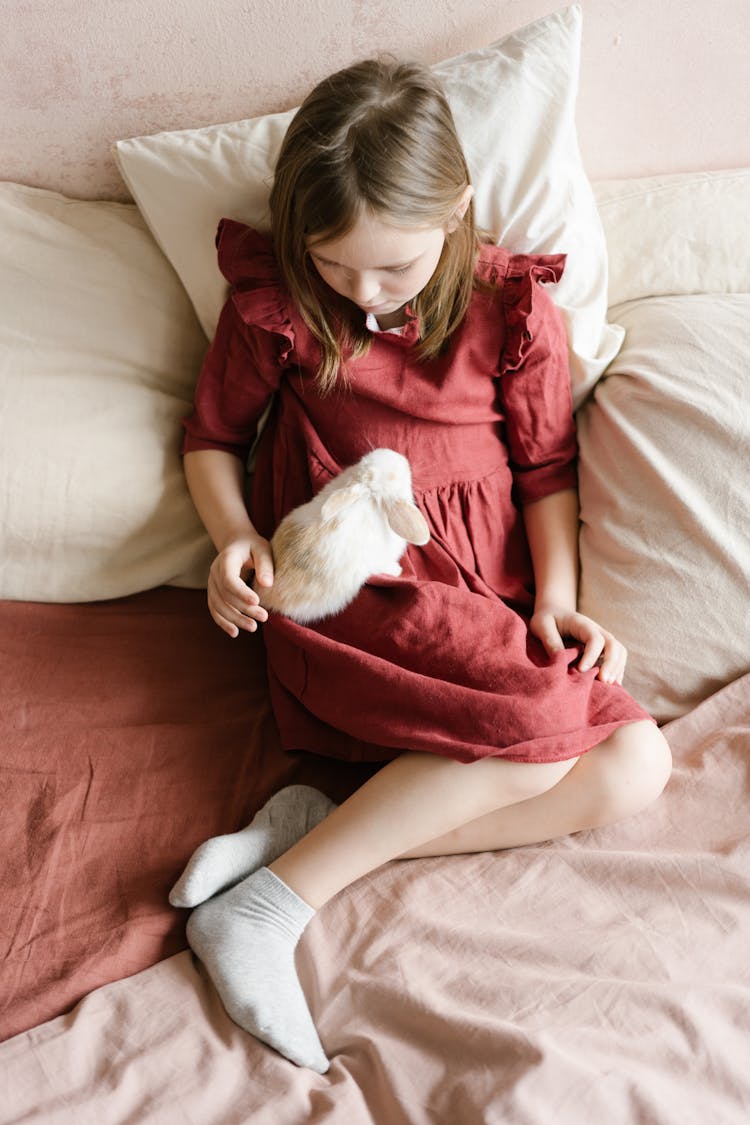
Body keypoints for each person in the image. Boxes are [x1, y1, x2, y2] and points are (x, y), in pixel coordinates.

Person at [171, 58, 672, 1074]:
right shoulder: (278, 302)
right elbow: (210, 438)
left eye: (389, 270)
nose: (359, 292)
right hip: (362, 582)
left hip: (486, 588)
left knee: (637, 766)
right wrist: (236, 539)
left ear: (453, 215)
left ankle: (301, 844)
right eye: (336, 266)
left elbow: (545, 471)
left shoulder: (514, 310)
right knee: (538, 724)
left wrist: (560, 604)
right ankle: (268, 912)